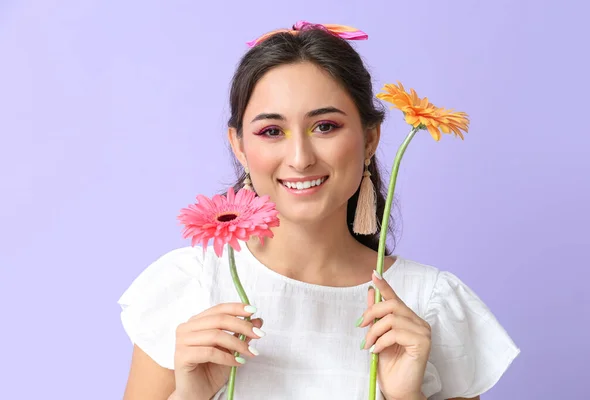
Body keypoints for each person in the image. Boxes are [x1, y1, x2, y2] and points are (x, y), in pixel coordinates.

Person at [118, 22, 520, 400]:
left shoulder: (430, 303)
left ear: (370, 138)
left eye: (325, 126)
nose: (300, 158)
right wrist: (189, 396)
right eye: (271, 131)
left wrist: (405, 397)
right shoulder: (190, 285)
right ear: (239, 146)